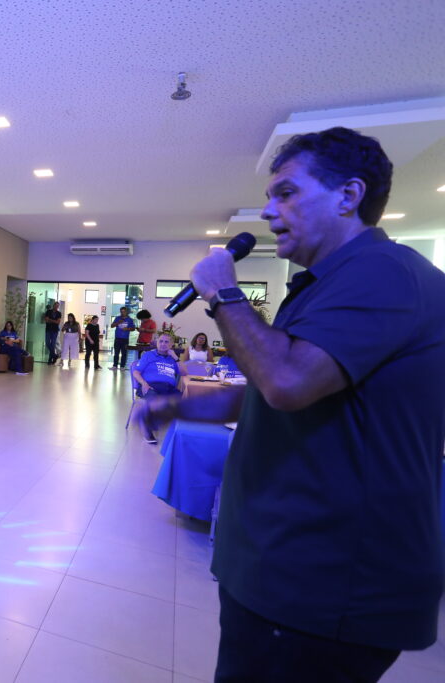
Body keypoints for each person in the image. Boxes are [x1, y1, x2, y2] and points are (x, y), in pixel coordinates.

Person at [137, 127, 445, 682]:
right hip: (283, 572)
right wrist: (185, 407)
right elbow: (278, 388)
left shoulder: (385, 273)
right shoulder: (326, 284)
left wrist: (224, 293)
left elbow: (286, 380)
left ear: (348, 195)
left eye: (286, 192)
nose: (267, 210)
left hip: (323, 583)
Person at [132, 331, 181, 443]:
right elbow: (136, 372)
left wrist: (175, 357)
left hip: (168, 388)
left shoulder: (172, 359)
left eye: (166, 342)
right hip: (150, 386)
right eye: (161, 341)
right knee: (152, 399)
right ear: (156, 342)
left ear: (171, 345)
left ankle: (181, 433)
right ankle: (147, 430)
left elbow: (184, 372)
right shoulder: (148, 355)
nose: (163, 344)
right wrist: (144, 383)